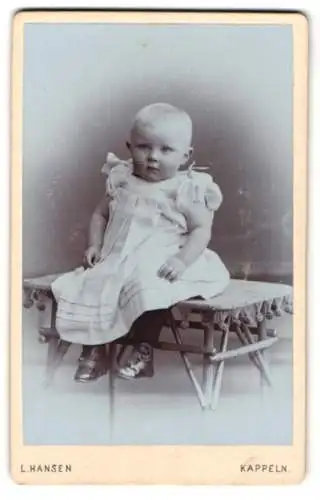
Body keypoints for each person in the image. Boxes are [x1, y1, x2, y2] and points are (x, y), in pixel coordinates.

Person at [51, 102, 230, 382]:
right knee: (96, 283)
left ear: (186, 155)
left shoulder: (186, 189)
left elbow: (200, 230)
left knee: (149, 287)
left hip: (165, 261)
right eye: (143, 147)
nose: (153, 157)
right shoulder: (122, 179)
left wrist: (182, 261)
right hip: (119, 257)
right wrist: (94, 245)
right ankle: (94, 350)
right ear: (129, 146)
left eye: (166, 150)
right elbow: (100, 214)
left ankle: (142, 351)